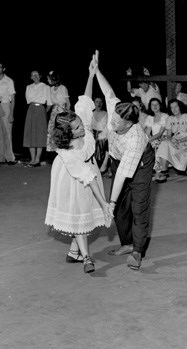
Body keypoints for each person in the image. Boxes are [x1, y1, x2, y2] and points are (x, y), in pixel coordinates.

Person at [45, 58, 112, 274]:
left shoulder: (80, 122)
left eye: (80, 123)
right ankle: (86, 258)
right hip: (72, 177)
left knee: (86, 215)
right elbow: (87, 177)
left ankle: (74, 251)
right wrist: (104, 204)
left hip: (89, 171)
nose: (82, 127)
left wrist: (91, 75)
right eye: (76, 128)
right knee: (79, 216)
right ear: (67, 133)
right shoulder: (67, 153)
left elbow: (85, 100)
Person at [94, 51, 155, 271]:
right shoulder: (117, 111)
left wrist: (108, 203)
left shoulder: (135, 138)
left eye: (118, 124)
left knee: (139, 207)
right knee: (120, 207)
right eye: (114, 119)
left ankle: (137, 252)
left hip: (141, 165)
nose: (112, 124)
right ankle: (127, 244)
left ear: (129, 124)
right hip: (118, 160)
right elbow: (108, 91)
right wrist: (96, 70)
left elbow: (122, 175)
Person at [157, 98, 187, 175]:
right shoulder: (169, 118)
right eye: (172, 107)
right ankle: (164, 170)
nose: (174, 109)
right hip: (175, 139)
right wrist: (172, 141)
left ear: (180, 106)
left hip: (186, 140)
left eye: (176, 106)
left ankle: (166, 170)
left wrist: (179, 141)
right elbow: (169, 135)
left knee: (167, 145)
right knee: (164, 143)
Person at [23, 70, 52, 167]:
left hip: (41, 109)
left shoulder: (46, 87)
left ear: (40, 76)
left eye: (36, 75)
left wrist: (43, 112)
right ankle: (32, 159)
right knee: (30, 133)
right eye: (33, 75)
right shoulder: (28, 87)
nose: (35, 76)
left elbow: (49, 103)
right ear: (30, 77)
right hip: (31, 109)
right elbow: (28, 100)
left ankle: (37, 159)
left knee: (40, 134)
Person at [143, 97, 168, 183]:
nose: (155, 106)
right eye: (152, 105)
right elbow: (148, 132)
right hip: (153, 138)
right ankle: (146, 172)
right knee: (144, 145)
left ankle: (159, 173)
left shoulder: (165, 116)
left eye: (156, 104)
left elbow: (160, 133)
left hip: (163, 138)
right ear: (150, 107)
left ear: (160, 105)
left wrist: (149, 139)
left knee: (155, 144)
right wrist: (146, 139)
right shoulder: (150, 117)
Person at [46, 70, 71, 154]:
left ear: (53, 78)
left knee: (62, 132)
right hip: (54, 112)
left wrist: (67, 114)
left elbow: (68, 103)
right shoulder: (50, 89)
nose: (48, 80)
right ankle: (54, 151)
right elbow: (49, 103)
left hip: (62, 111)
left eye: (48, 79)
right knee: (53, 131)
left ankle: (63, 151)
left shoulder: (63, 88)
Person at [0, 61, 17, 164]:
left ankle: (10, 157)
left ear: (3, 69)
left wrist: (11, 113)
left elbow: (13, 98)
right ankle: (1, 157)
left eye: (0, 67)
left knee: (7, 132)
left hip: (5, 106)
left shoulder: (9, 81)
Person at [91, 96, 110, 174]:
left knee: (101, 143)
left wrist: (102, 135)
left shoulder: (106, 113)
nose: (99, 104)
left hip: (103, 134)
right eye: (97, 102)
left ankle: (103, 166)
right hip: (92, 134)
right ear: (94, 103)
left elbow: (107, 127)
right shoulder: (91, 113)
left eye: (101, 102)